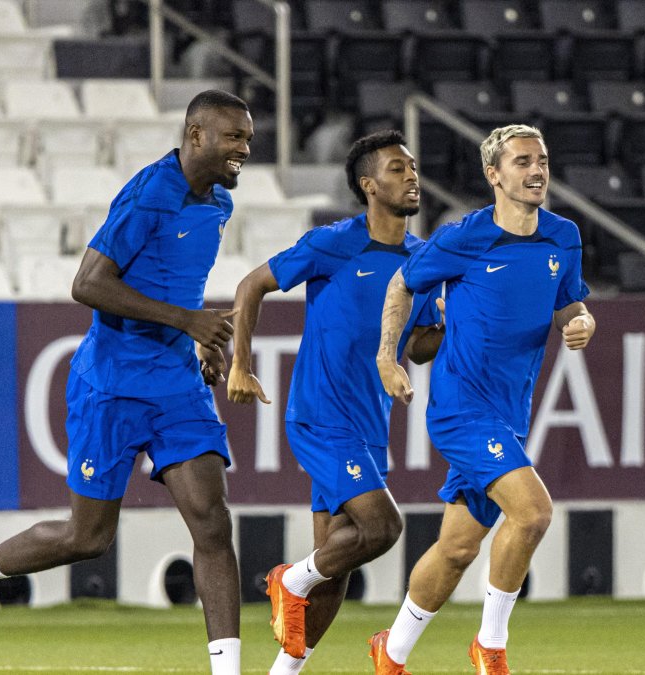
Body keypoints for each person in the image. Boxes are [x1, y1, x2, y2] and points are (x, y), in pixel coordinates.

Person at [0, 90, 252, 675]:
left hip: (176, 385)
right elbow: (89, 284)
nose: (245, 149)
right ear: (196, 133)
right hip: (112, 384)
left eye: (249, 139)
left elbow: (174, 283)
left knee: (212, 520)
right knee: (88, 538)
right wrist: (187, 320)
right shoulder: (150, 193)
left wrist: (200, 339)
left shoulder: (221, 202)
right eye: (234, 137)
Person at [368, 124, 596, 675]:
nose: (536, 169)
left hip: (509, 413)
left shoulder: (563, 237)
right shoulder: (463, 238)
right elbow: (403, 283)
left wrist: (583, 321)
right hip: (459, 409)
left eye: (541, 159)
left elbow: (570, 305)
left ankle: (390, 653)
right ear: (494, 175)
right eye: (521, 161)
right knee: (534, 511)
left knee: (456, 549)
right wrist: (386, 356)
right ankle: (490, 646)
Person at [227, 130, 444, 674]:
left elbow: (416, 347)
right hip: (321, 416)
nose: (412, 176)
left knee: (339, 559)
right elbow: (252, 285)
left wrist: (461, 324)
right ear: (369, 185)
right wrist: (240, 363)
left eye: (413, 167)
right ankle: (288, 580)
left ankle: (283, 672)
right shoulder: (333, 243)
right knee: (383, 529)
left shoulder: (423, 261)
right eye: (398, 168)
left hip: (370, 424)